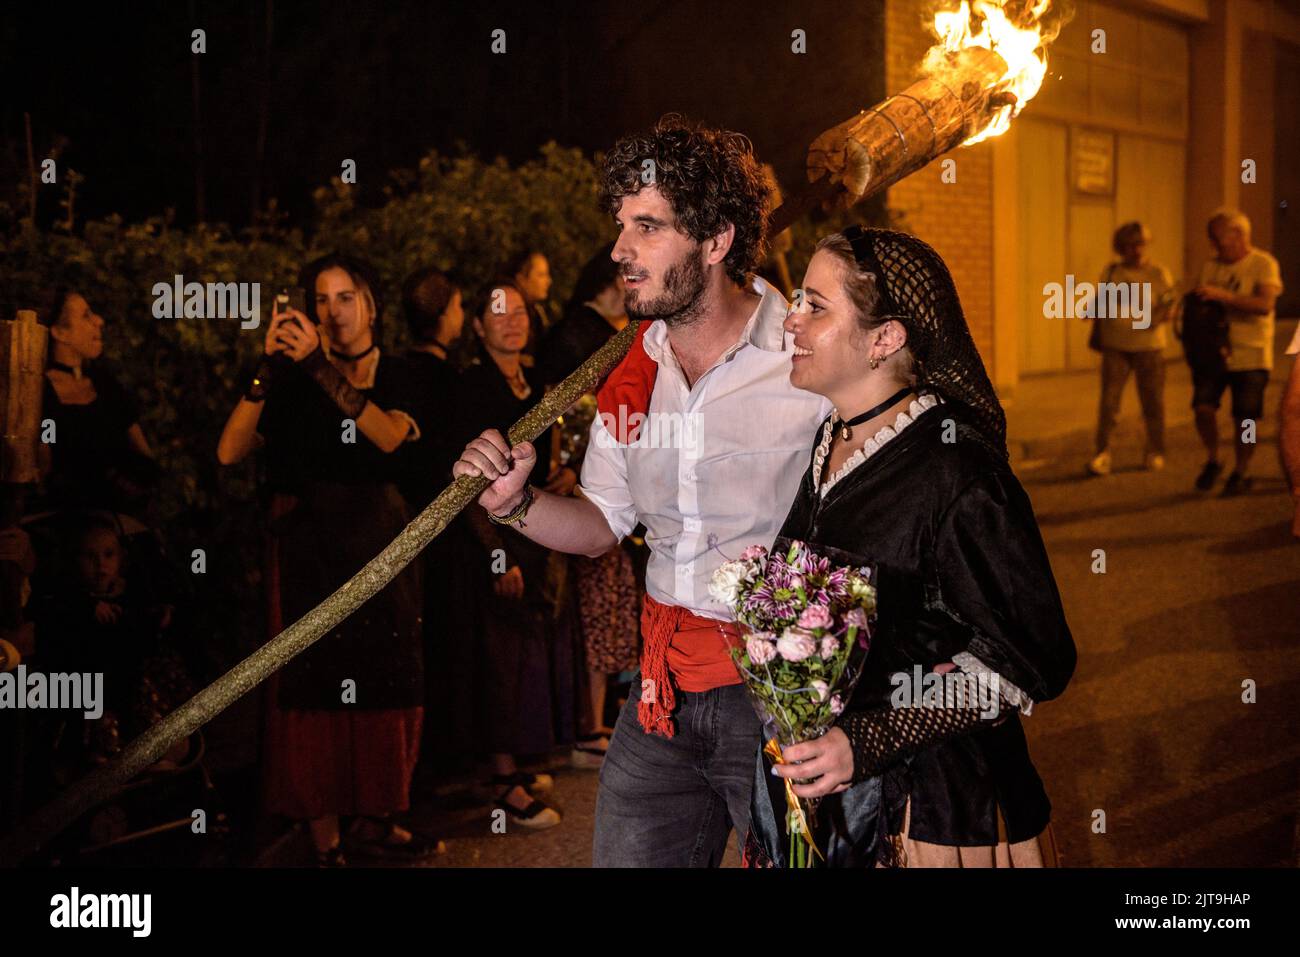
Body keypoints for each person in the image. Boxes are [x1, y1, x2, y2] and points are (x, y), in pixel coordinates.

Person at [453, 116, 831, 866]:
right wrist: (514, 503)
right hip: (658, 699)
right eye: (621, 224)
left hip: (780, 699)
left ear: (716, 241)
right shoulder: (633, 367)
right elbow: (599, 524)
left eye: (647, 226)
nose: (620, 249)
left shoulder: (805, 358)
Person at [742, 227, 1076, 868]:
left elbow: (1030, 657)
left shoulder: (957, 470)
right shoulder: (831, 441)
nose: (793, 320)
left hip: (939, 810)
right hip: (839, 798)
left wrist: (870, 737)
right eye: (796, 300)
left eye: (816, 305)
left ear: (885, 339)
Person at [216, 252, 438, 867]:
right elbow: (230, 450)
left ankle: (373, 815)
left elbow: (389, 436)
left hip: (380, 548)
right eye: (320, 299)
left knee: (383, 681)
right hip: (311, 551)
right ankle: (325, 839)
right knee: (313, 688)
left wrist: (317, 366)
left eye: (345, 298)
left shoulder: (399, 374)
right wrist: (267, 367)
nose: (332, 311)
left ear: (370, 306)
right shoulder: (291, 381)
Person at [454, 278, 582, 830]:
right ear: (478, 325)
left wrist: (569, 475)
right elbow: (464, 485)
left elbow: (558, 452)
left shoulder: (536, 386)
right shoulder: (473, 387)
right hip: (495, 540)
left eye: (520, 311)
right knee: (498, 658)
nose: (512, 320)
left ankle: (522, 758)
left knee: (530, 650)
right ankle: (501, 777)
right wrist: (494, 557)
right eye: (497, 312)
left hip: (539, 531)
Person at [536, 244, 641, 767]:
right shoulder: (582, 333)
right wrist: (573, 467)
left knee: (615, 603)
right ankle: (586, 721)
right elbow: (569, 407)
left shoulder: (621, 330)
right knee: (594, 608)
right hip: (581, 486)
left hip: (613, 483)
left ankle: (603, 714)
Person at [35, 289, 160, 518]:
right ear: (60, 332)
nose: (99, 321)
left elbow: (143, 453)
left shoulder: (105, 385)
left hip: (120, 518)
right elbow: (45, 466)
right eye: (86, 315)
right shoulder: (42, 394)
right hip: (66, 520)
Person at [1189, 210, 1284, 495]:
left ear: (1240, 235)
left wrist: (1224, 296)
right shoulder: (1210, 266)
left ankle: (1242, 469)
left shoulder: (1263, 264)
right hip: (1214, 354)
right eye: (1212, 239)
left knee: (1246, 418)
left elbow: (1264, 305)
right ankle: (1214, 459)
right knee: (1202, 408)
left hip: (1251, 354)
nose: (1214, 245)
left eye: (1219, 238)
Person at [1086, 222, 1176, 476]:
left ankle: (1155, 451)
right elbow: (1101, 299)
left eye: (1141, 244)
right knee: (1109, 403)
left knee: (1153, 402)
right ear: (1121, 247)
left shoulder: (1159, 273)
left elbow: (1169, 306)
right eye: (1130, 245)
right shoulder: (1112, 271)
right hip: (1115, 346)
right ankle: (1102, 453)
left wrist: (1148, 321)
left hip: (1149, 347)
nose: (1136, 250)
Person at [505, 249, 555, 362]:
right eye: (541, 275)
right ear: (521, 278)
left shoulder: (537, 312)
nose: (548, 281)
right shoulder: (508, 313)